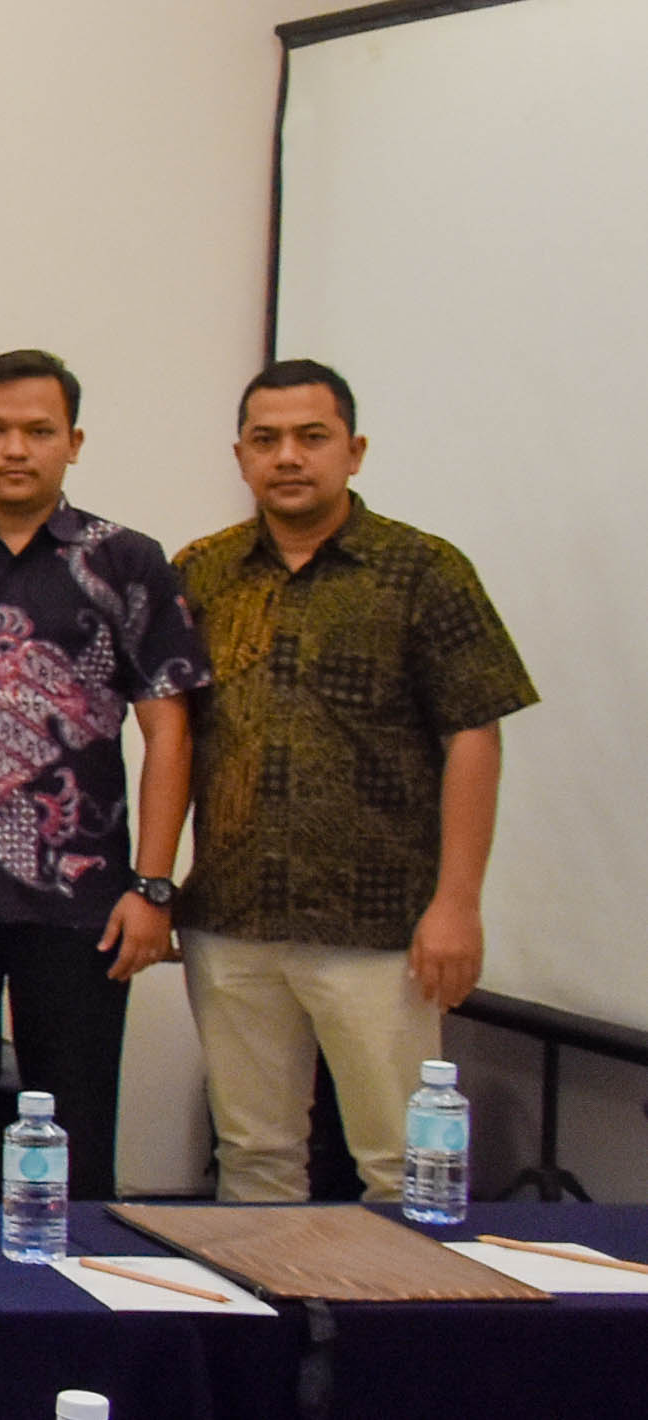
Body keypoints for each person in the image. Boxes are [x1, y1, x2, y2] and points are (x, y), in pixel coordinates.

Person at [174, 360, 535, 1204]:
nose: (288, 457)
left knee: (400, 1167)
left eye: (312, 437)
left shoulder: (423, 571)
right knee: (254, 1157)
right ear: (240, 455)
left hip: (380, 927)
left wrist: (458, 902)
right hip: (233, 913)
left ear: (355, 450)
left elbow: (474, 735)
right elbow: (173, 737)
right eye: (266, 441)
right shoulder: (201, 572)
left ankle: (393, 1340)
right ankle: (274, 1337)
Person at [0, 349, 210, 1205]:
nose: (16, 448)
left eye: (38, 430)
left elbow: (169, 729)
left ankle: (75, 1306)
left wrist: (155, 886)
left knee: (75, 1132)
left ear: (74, 441)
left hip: (85, 899)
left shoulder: (126, 561)